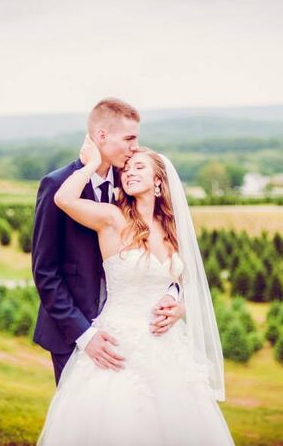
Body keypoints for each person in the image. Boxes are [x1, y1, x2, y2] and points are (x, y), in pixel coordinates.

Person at [35, 135, 234, 445]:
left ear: (158, 181)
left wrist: (174, 297)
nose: (128, 172)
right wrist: (90, 166)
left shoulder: (172, 228)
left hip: (167, 347)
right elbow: (64, 199)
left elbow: (181, 277)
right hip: (119, 343)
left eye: (138, 167)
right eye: (126, 168)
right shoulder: (112, 219)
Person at [31, 98, 185, 385]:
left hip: (137, 332)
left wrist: (173, 299)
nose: (134, 148)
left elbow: (161, 258)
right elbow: (45, 273)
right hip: (73, 333)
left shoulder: (131, 181)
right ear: (102, 136)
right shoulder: (57, 184)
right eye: (129, 139)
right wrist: (85, 336)